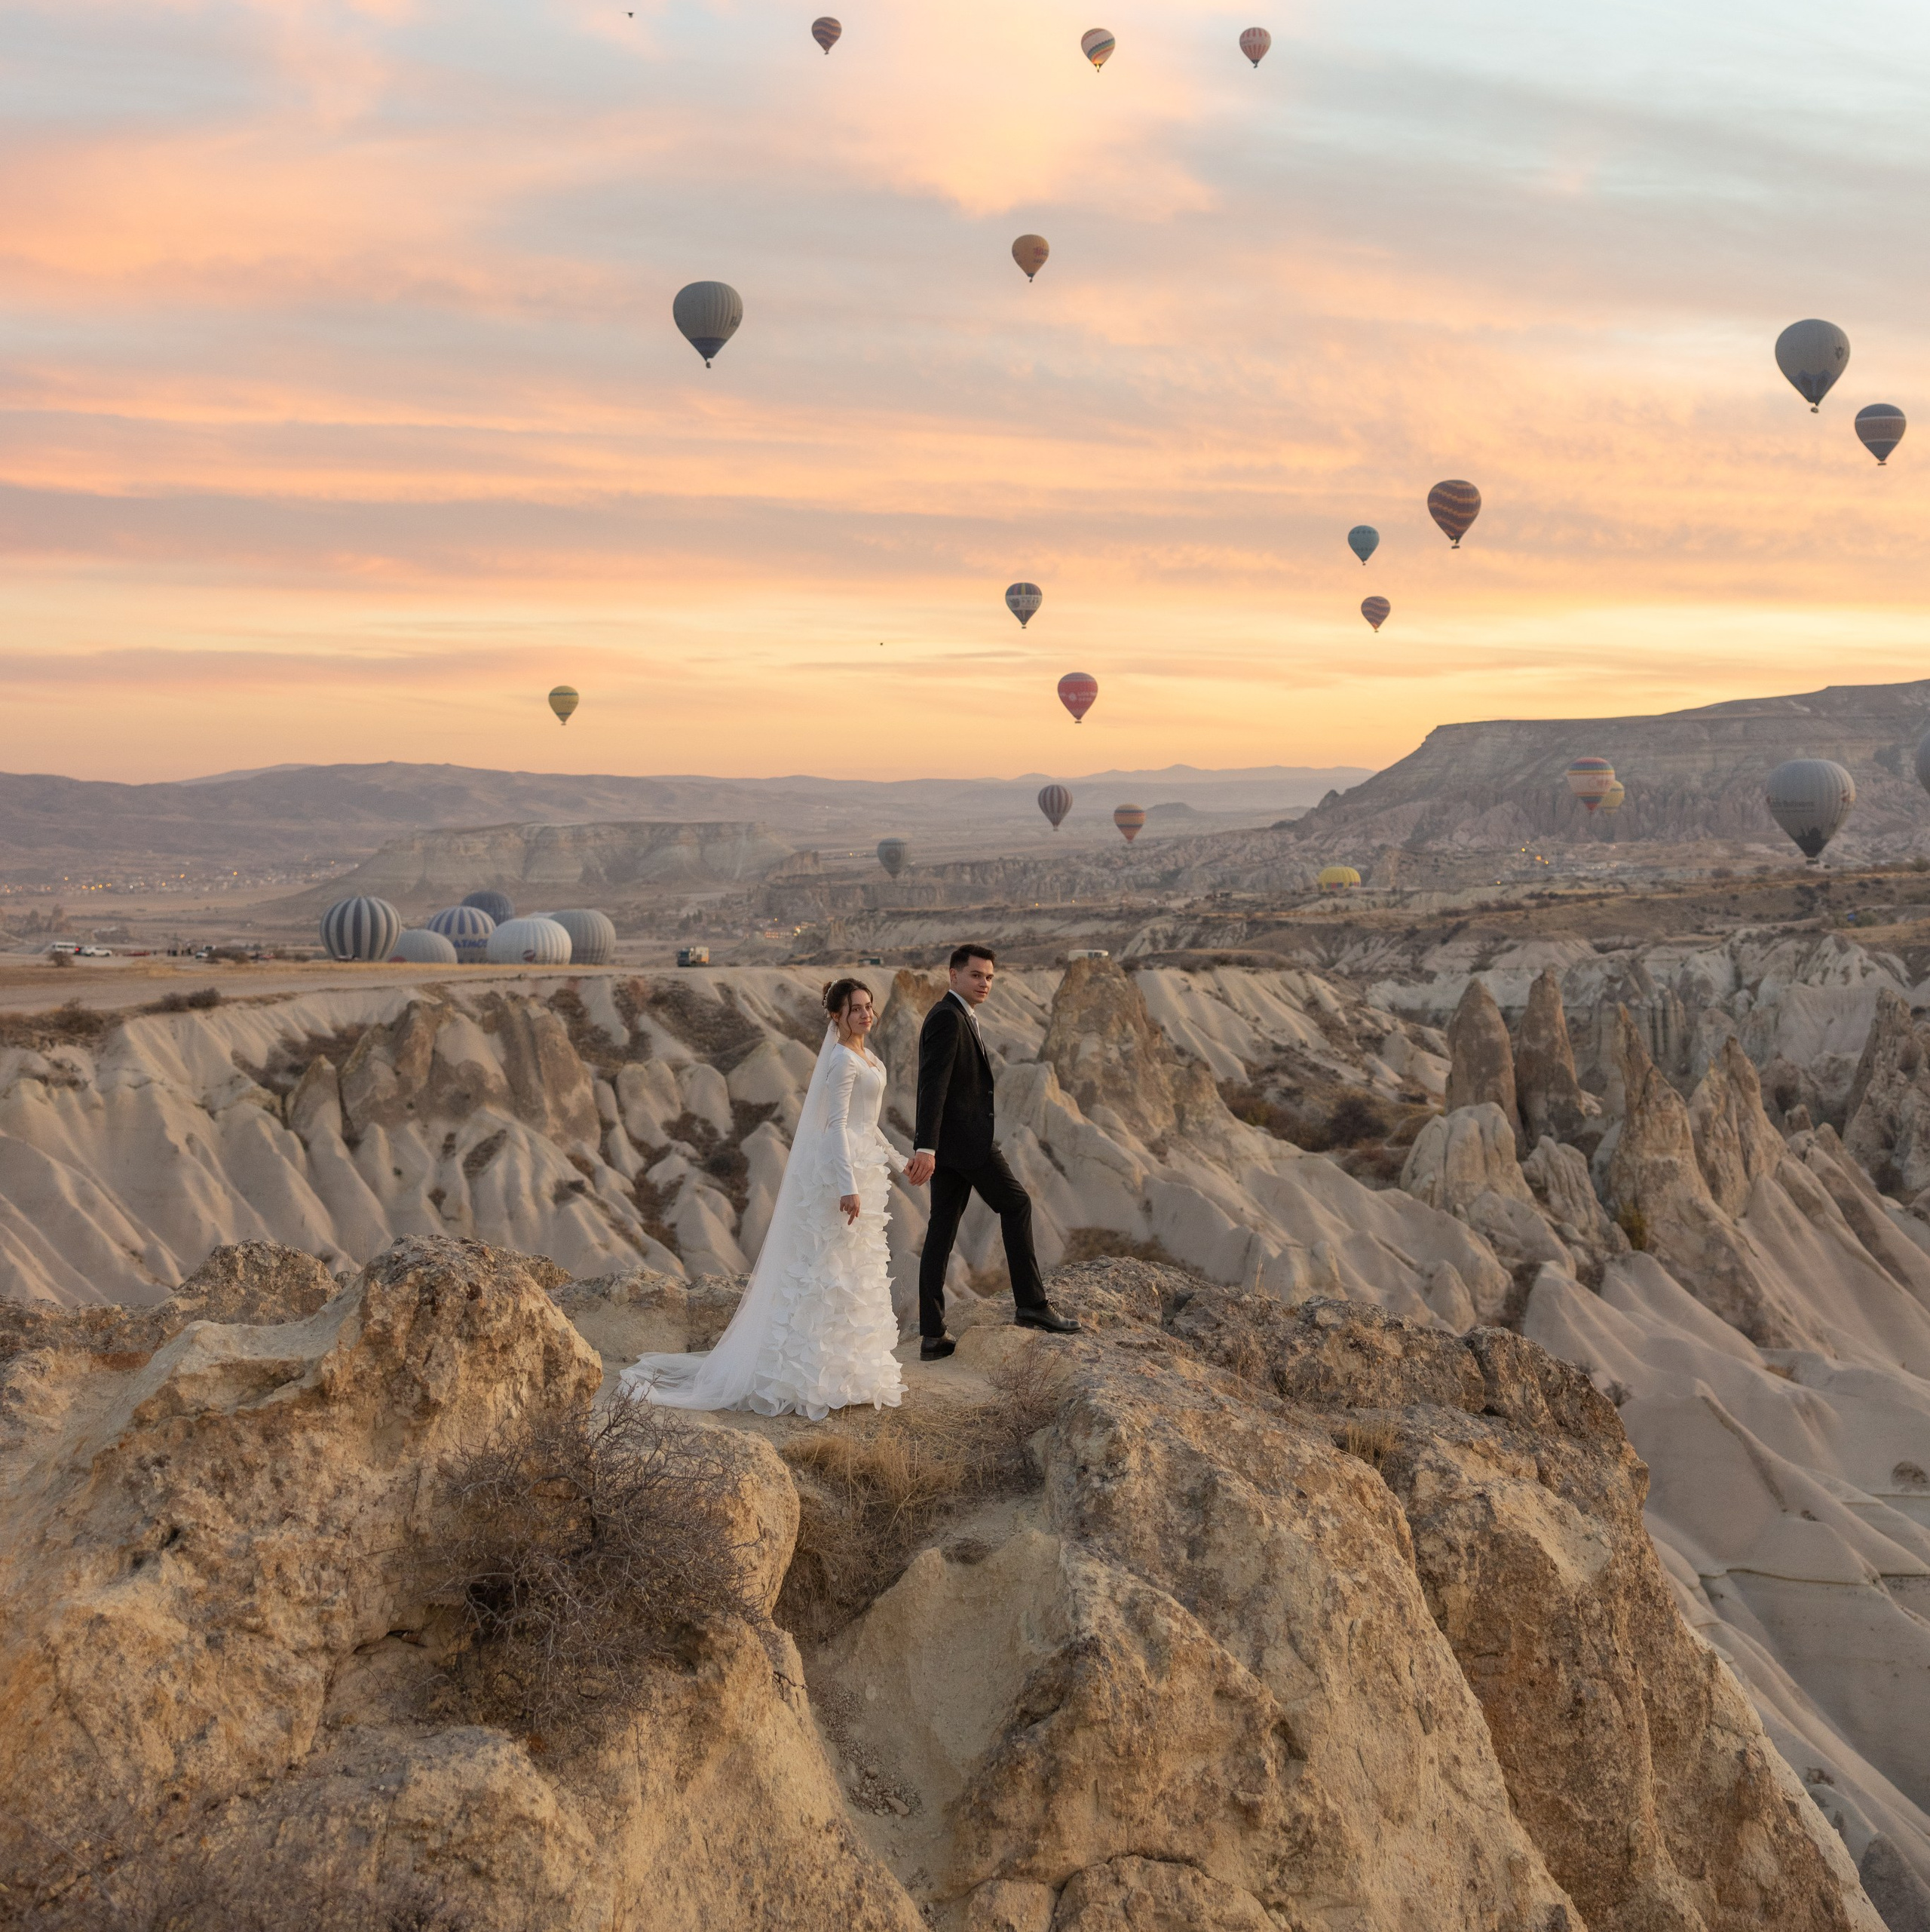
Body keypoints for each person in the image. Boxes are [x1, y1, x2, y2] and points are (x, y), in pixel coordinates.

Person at [620, 978, 904, 1419]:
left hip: (864, 1168)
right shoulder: (842, 1061)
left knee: (854, 1268)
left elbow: (868, 1125)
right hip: (839, 1172)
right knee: (825, 1268)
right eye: (856, 1009)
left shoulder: (870, 1058)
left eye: (869, 1006)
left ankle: (851, 1370)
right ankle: (808, 1372)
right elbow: (837, 1126)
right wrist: (846, 1186)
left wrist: (900, 1161)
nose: (866, 1014)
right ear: (837, 1016)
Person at [905, 943, 1080, 1360]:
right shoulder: (948, 1018)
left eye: (989, 978)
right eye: (976, 975)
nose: (984, 983)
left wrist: (934, 1147)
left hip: (952, 1146)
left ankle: (932, 1335)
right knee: (1017, 1204)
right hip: (965, 1144)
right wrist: (925, 1147)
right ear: (953, 975)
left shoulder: (959, 1015)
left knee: (941, 1231)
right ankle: (1032, 1305)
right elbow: (933, 1086)